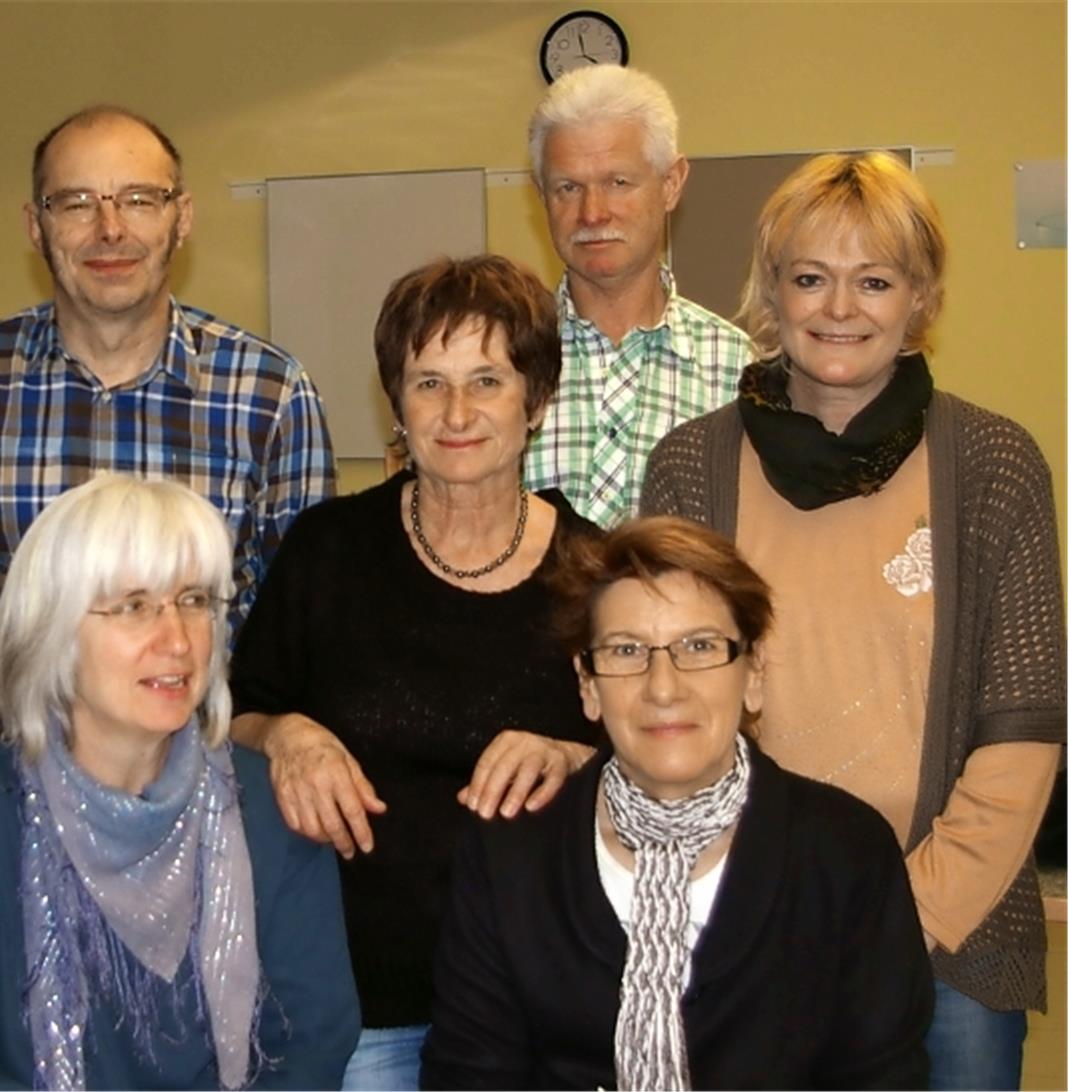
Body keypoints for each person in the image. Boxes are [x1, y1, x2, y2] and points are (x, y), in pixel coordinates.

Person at [640, 151, 1066, 1090]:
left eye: (874, 280)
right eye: (810, 278)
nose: (840, 308)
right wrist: (753, 907)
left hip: (951, 939)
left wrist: (892, 915)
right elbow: (661, 706)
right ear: (771, 292)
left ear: (920, 299)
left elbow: (1026, 722)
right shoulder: (688, 470)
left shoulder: (994, 464)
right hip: (744, 930)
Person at [230, 255, 600, 1090]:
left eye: (487, 380)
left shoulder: (599, 572)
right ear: (396, 400)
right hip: (360, 1003)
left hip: (539, 1004)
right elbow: (234, 710)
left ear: (536, 398)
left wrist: (576, 757)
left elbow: (656, 762)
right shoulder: (327, 552)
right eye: (428, 382)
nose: (458, 412)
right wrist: (285, 734)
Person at [421, 516, 933, 1090]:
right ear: (588, 685)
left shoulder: (846, 853)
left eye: (699, 646)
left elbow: (881, 1078)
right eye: (626, 650)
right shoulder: (508, 855)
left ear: (754, 672)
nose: (663, 687)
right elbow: (469, 1076)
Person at [0, 104, 334, 758]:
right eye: (75, 203)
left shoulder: (270, 394)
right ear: (35, 227)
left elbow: (297, 621)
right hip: (13, 785)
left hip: (208, 786)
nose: (110, 229)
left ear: (181, 218)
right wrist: (2, 755)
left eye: (139, 200)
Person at [0, 474, 360, 1090]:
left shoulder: (272, 809)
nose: (177, 639)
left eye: (194, 600)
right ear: (52, 631)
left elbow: (312, 1042)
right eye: (135, 606)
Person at [521, 65, 750, 528]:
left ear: (671, 184)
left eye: (618, 183)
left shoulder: (738, 370)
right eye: (568, 188)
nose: (592, 212)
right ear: (541, 195)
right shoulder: (506, 357)